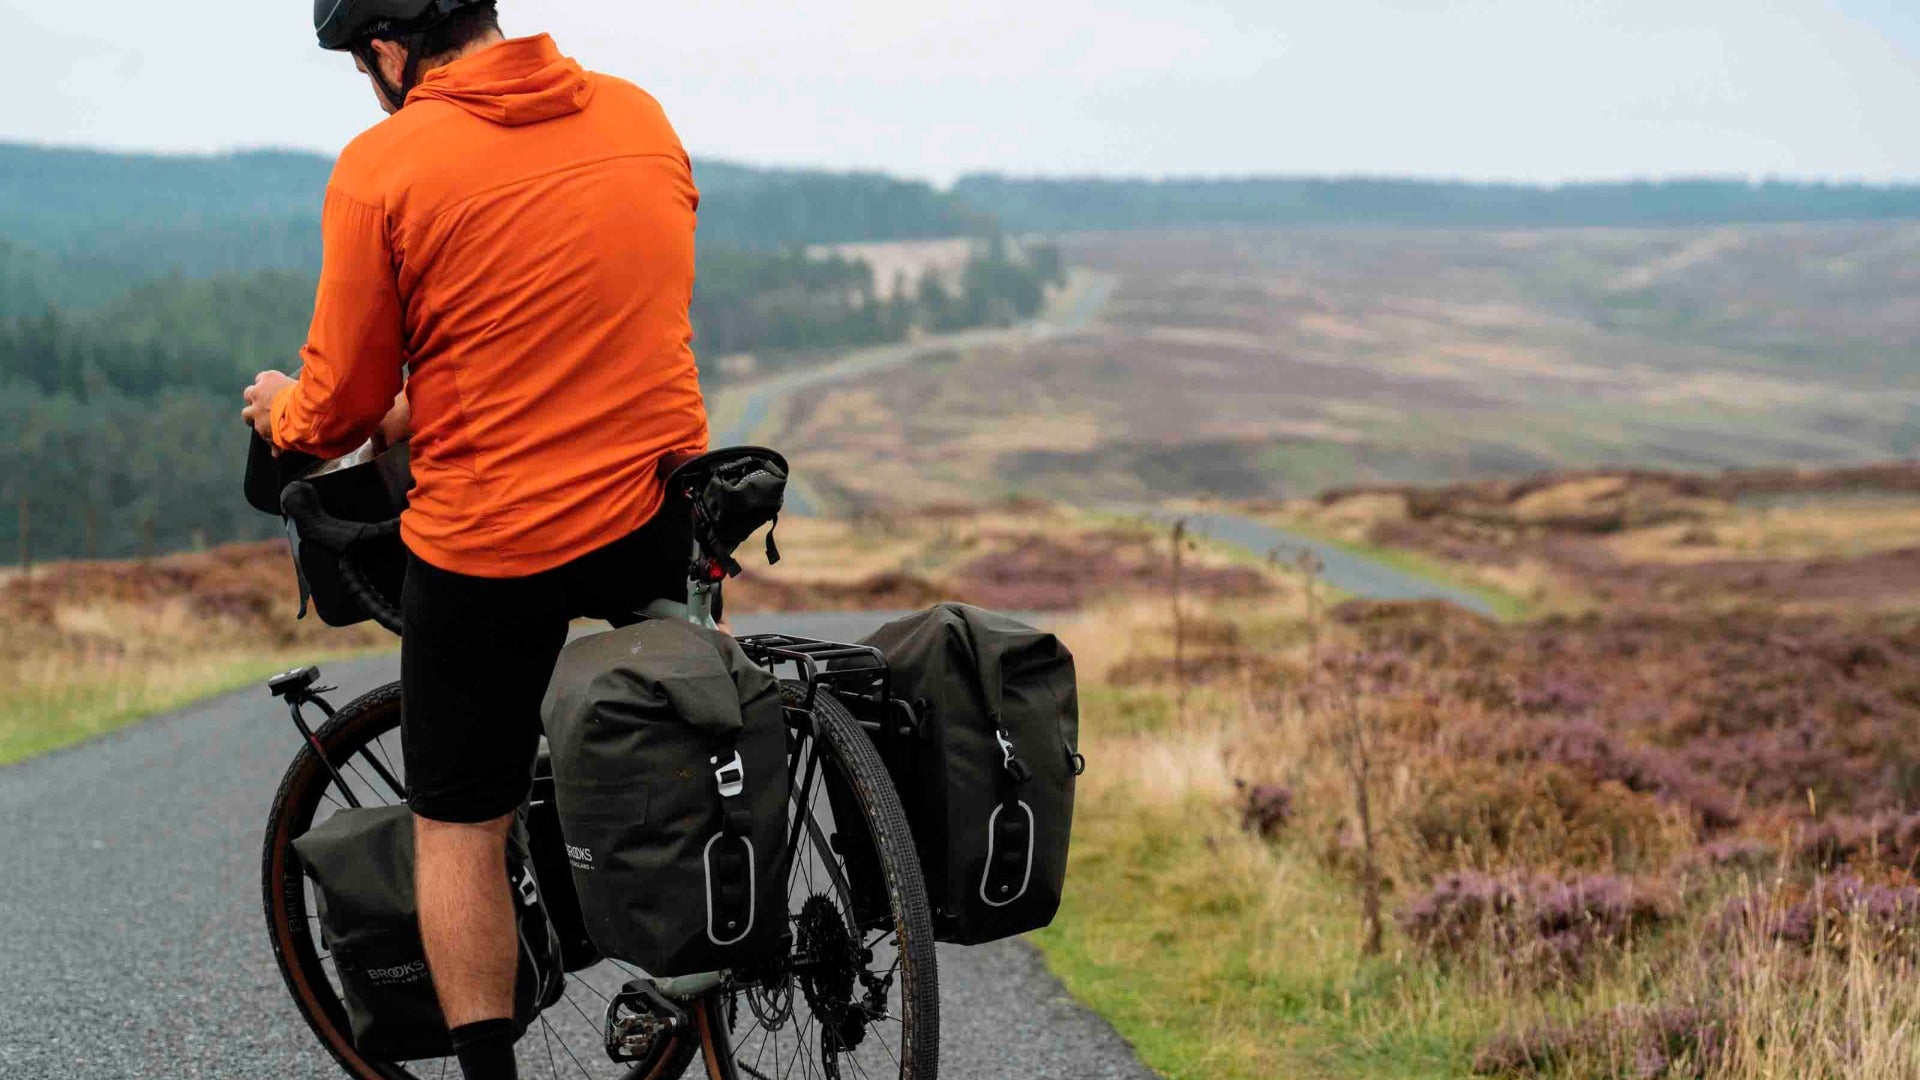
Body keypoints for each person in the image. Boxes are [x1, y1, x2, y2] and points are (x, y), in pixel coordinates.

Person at [240, 4, 708, 1078]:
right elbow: (580, 320)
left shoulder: (385, 165)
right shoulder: (640, 116)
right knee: (695, 723)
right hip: (656, 501)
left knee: (457, 821)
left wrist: (279, 408)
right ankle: (720, 948)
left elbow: (339, 405)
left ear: (388, 48)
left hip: (499, 537)